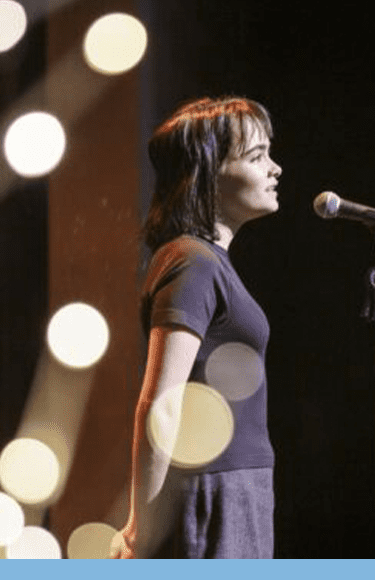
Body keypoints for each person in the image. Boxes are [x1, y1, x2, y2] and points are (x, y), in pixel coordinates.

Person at [110, 96, 282, 559]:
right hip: (213, 493)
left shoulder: (209, 262)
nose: (275, 168)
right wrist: (139, 531)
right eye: (256, 156)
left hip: (239, 485)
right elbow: (161, 404)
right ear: (209, 174)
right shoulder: (192, 262)